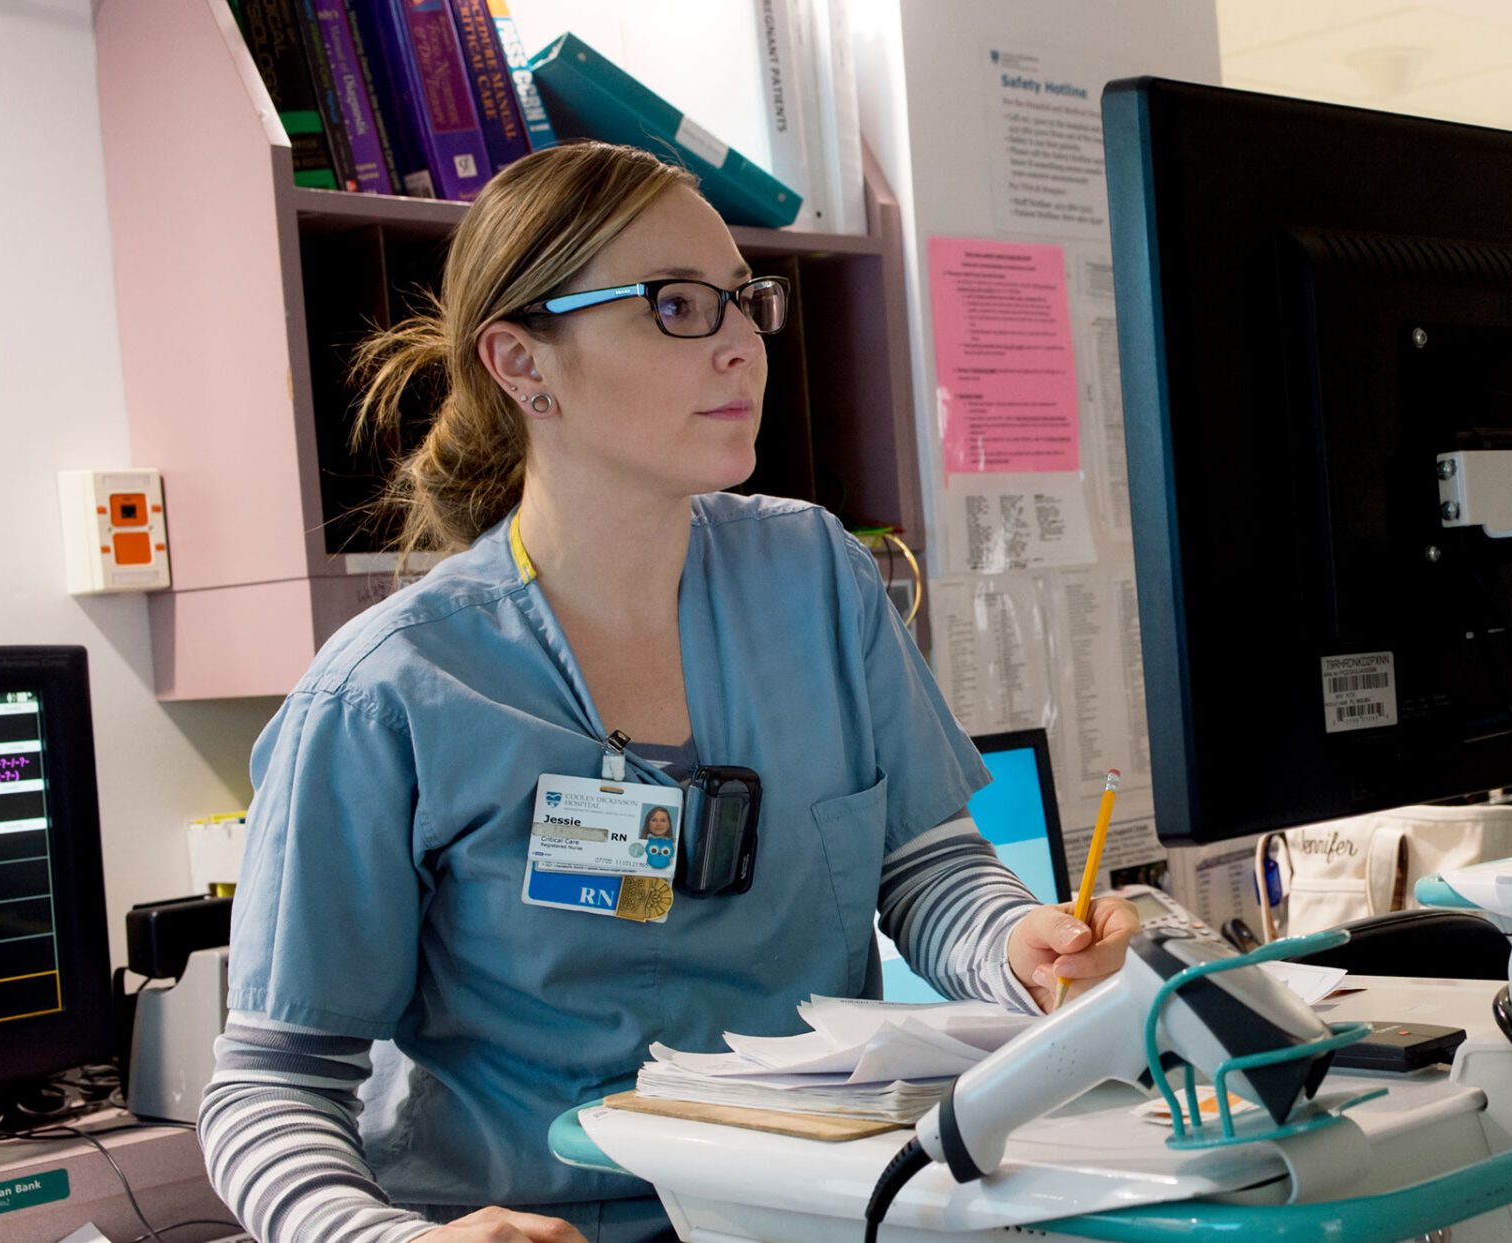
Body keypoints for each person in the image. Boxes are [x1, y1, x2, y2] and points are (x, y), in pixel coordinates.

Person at [199, 142, 1139, 1243]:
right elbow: (269, 1084)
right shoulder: (388, 694)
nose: (742, 345)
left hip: (820, 1211)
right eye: (678, 307)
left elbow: (922, 867)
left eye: (745, 303)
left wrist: (1015, 943)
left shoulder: (816, 578)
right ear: (520, 361)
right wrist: (379, 1240)